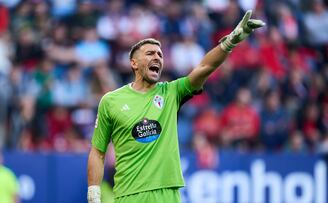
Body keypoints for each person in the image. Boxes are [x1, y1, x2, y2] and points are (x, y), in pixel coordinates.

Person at [87, 10, 265, 203]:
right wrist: (94, 193)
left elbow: (204, 68)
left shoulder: (170, 92)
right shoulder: (111, 101)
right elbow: (98, 151)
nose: (157, 57)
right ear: (134, 63)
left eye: (160, 54)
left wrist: (230, 42)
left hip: (168, 195)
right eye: (150, 53)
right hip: (129, 194)